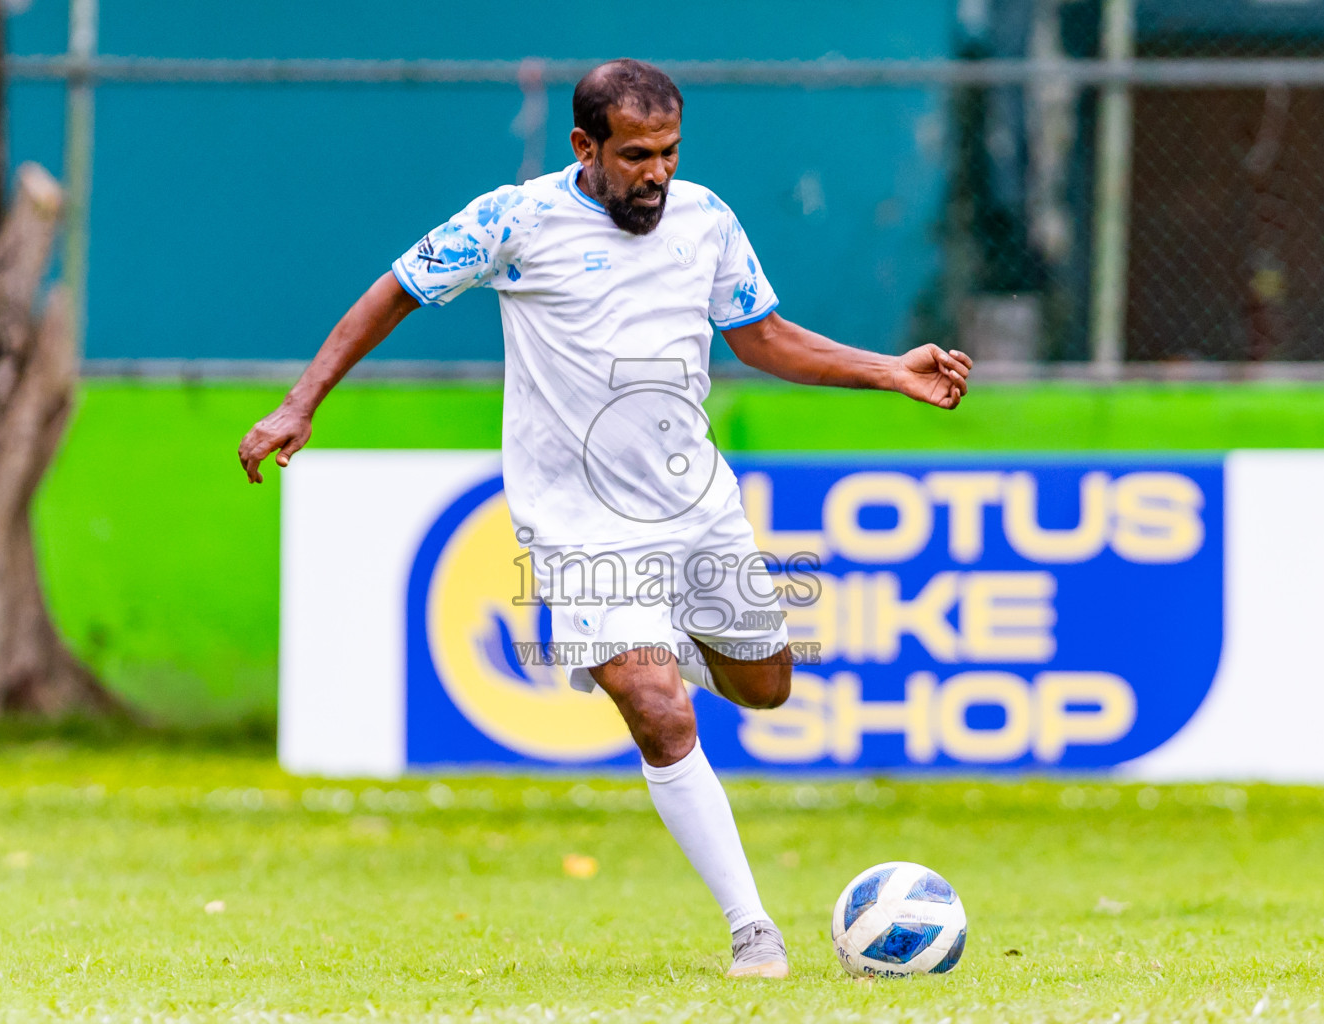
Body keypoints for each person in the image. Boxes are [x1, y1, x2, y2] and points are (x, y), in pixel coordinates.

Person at [239, 58, 972, 979]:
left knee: (769, 689)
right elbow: (394, 288)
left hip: (697, 507)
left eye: (667, 152)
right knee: (658, 711)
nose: (655, 173)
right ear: (584, 147)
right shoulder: (512, 221)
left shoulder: (706, 219)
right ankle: (755, 931)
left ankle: (680, 647)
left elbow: (763, 338)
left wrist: (887, 371)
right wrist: (302, 402)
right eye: (634, 156)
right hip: (579, 525)